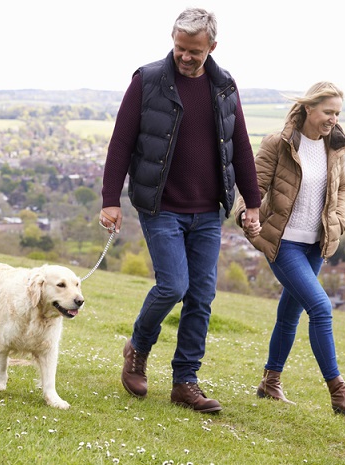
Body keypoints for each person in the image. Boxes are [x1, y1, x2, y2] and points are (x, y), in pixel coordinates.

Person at [99, 7, 261, 414]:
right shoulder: (148, 79)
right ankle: (137, 348)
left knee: (202, 296)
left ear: (212, 47)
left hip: (208, 210)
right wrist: (109, 200)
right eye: (179, 48)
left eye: (194, 51)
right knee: (173, 286)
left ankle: (185, 382)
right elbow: (121, 142)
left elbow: (239, 146)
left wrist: (253, 203)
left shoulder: (224, 86)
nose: (185, 57)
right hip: (161, 206)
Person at [233, 81, 345, 416]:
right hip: (283, 243)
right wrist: (244, 214)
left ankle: (270, 381)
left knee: (290, 314)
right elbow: (255, 185)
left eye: (337, 113)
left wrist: (338, 220)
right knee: (321, 308)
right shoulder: (277, 144)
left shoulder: (333, 147)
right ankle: (339, 392)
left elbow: (342, 188)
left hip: (315, 245)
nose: (333, 119)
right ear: (309, 108)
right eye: (328, 112)